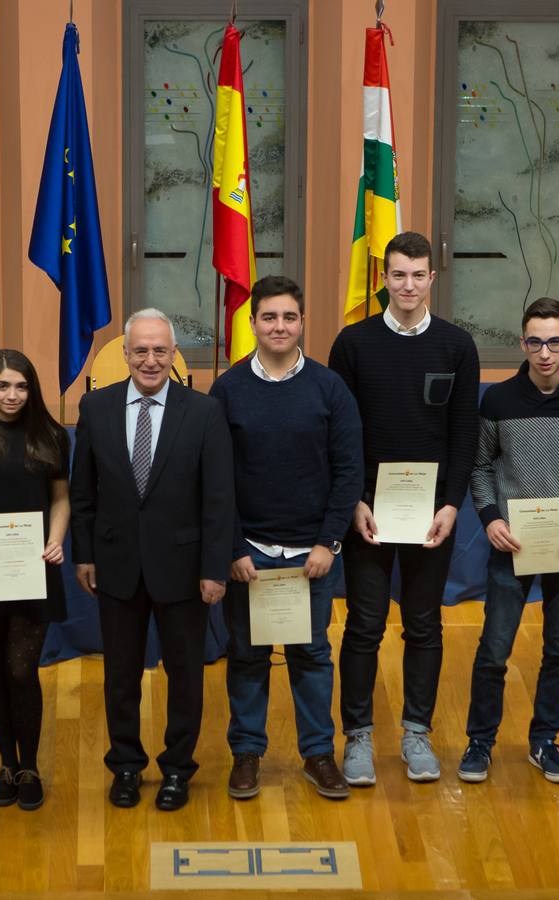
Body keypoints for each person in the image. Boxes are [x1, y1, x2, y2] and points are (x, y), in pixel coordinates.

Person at [328, 231, 480, 784]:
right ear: (383, 279)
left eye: (418, 275)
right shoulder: (352, 344)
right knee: (364, 626)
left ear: (432, 279)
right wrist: (353, 502)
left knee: (424, 626)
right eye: (398, 275)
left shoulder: (457, 346)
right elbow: (340, 436)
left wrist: (451, 505)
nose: (408, 285)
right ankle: (358, 738)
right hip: (367, 512)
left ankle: (417, 733)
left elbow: (464, 435)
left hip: (430, 516)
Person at [70, 308, 234, 812]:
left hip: (184, 570)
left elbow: (218, 498)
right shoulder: (95, 408)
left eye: (160, 350)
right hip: (116, 566)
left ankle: (178, 769)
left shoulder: (203, 412)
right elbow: (83, 495)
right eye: (140, 350)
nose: (150, 359)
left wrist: (213, 568)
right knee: (120, 675)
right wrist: (85, 556)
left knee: (184, 675)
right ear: (124, 355)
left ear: (173, 354)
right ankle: (125, 764)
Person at [210, 276, 363, 801]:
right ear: (252, 322)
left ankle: (318, 755)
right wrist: (231, 548)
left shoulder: (329, 389)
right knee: (247, 657)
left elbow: (349, 472)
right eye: (269, 317)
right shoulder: (227, 390)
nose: (279, 326)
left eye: (289, 317)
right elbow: (217, 479)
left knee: (312, 656)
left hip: (310, 558)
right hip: (249, 554)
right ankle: (247, 754)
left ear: (303, 323)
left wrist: (327, 543)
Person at [461, 298, 559, 785]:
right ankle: (480, 742)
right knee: (493, 649)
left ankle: (544, 740)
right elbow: (482, 466)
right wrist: (489, 517)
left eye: (555, 342)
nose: (545, 352)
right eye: (535, 342)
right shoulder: (498, 401)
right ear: (522, 343)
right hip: (512, 544)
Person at [0, 349, 71, 812]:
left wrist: (56, 540)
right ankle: (8, 764)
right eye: (3, 386)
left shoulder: (51, 436)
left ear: (32, 389)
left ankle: (32, 766)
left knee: (21, 669)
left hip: (34, 566)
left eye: (21, 386)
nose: (12, 395)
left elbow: (60, 500)